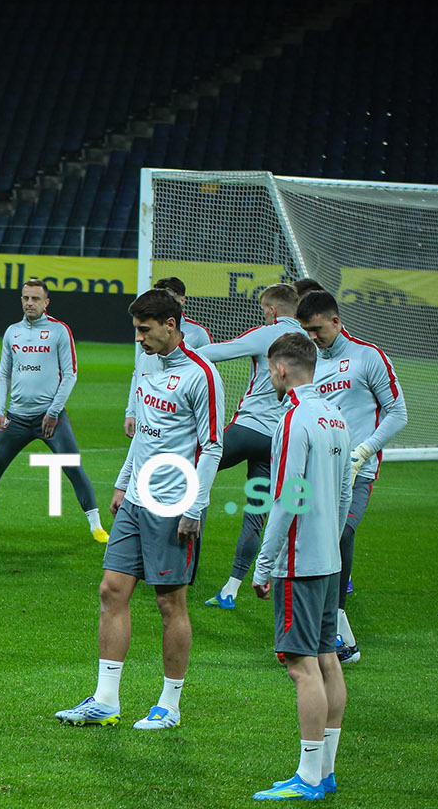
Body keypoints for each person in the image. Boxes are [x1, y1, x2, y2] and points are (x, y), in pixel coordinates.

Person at [56, 288, 225, 730]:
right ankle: (105, 700)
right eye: (136, 330)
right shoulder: (149, 366)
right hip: (135, 500)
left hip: (174, 503)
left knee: (170, 603)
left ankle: (169, 705)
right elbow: (145, 434)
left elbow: (212, 446)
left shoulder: (202, 375)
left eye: (144, 330)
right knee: (111, 590)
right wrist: (122, 482)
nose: (138, 338)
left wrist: (195, 506)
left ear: (171, 324)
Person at [249, 332, 351, 799]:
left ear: (280, 369)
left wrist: (264, 564)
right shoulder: (335, 415)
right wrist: (330, 543)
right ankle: (325, 772)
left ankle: (308, 777)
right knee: (327, 659)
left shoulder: (292, 420)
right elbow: (345, 493)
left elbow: (287, 498)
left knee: (301, 665)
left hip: (299, 563)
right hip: (328, 560)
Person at [0, 277, 106, 541]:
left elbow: (70, 374)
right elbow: (3, 373)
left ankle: (96, 527)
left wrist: (53, 412)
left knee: (72, 467)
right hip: (16, 418)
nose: (30, 302)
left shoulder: (59, 331)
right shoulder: (12, 332)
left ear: (46, 302)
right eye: (26, 298)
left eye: (35, 298)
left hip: (51, 418)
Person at [298, 291, 407, 664]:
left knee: (341, 534)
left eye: (317, 329)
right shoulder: (309, 363)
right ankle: (335, 633)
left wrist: (364, 451)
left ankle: (334, 630)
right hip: (317, 469)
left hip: (358, 470)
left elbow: (397, 412)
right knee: (315, 542)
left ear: (336, 321)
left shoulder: (367, 356)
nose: (313, 337)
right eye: (307, 331)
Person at [196, 283, 312, 609]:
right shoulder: (307, 343)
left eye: (264, 310)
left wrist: (176, 355)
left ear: (272, 310)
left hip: (246, 429)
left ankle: (177, 555)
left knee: (191, 471)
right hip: (277, 441)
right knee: (255, 513)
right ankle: (230, 590)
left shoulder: (268, 334)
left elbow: (215, 352)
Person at [124, 277, 211, 439]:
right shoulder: (147, 336)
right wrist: (131, 412)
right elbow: (139, 373)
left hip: (180, 418)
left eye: (169, 296)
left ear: (182, 300)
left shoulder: (198, 334)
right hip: (151, 411)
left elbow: (207, 380)